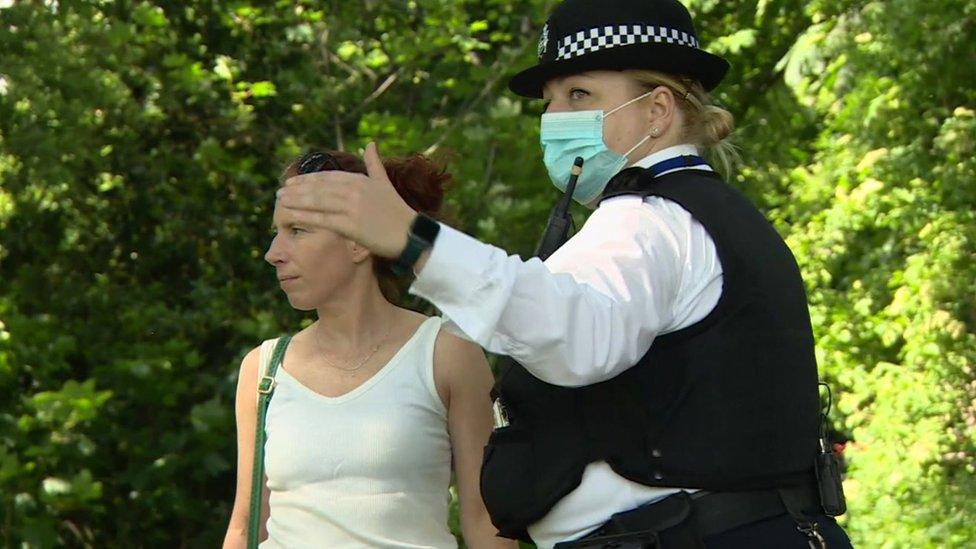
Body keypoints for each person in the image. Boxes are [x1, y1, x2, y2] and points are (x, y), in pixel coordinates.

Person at [275, 1, 854, 547]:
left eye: (580, 94)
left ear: (657, 111)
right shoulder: (701, 212)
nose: (554, 118)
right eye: (549, 101)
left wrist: (413, 243)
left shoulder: (646, 221)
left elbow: (576, 336)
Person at [222, 151, 514, 548]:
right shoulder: (264, 371)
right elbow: (245, 527)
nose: (273, 252)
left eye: (297, 230)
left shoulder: (446, 355)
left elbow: (486, 525)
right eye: (276, 232)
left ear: (359, 242)